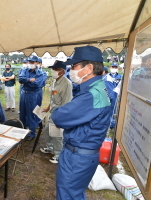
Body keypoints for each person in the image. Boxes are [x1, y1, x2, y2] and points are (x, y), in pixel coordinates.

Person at [51, 46, 112, 200]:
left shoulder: (92, 95)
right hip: (81, 154)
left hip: (77, 156)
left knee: (68, 194)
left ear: (89, 68)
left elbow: (59, 117)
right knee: (74, 193)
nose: (71, 70)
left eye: (74, 66)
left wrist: (59, 115)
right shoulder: (94, 88)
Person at [40, 61, 72, 164]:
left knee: (56, 134)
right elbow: (53, 98)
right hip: (53, 111)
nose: (53, 71)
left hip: (60, 113)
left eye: (56, 69)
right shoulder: (55, 81)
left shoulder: (67, 83)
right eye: (53, 69)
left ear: (62, 72)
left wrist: (61, 118)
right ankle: (50, 147)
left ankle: (58, 154)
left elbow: (66, 103)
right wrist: (48, 108)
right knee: (47, 130)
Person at [19, 55, 45, 141]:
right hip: (24, 94)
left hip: (33, 94)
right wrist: (30, 80)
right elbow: (20, 79)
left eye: (32, 62)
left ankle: (32, 133)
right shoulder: (24, 70)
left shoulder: (41, 73)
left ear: (37, 63)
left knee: (32, 114)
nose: (30, 64)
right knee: (22, 113)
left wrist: (25, 82)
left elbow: (37, 84)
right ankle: (23, 130)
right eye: (29, 62)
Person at [102, 62, 122, 129]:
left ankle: (111, 124)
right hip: (106, 96)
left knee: (113, 110)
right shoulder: (105, 76)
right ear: (110, 68)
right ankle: (104, 123)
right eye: (112, 67)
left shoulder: (120, 77)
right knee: (104, 110)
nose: (113, 68)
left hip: (115, 96)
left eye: (115, 67)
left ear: (117, 68)